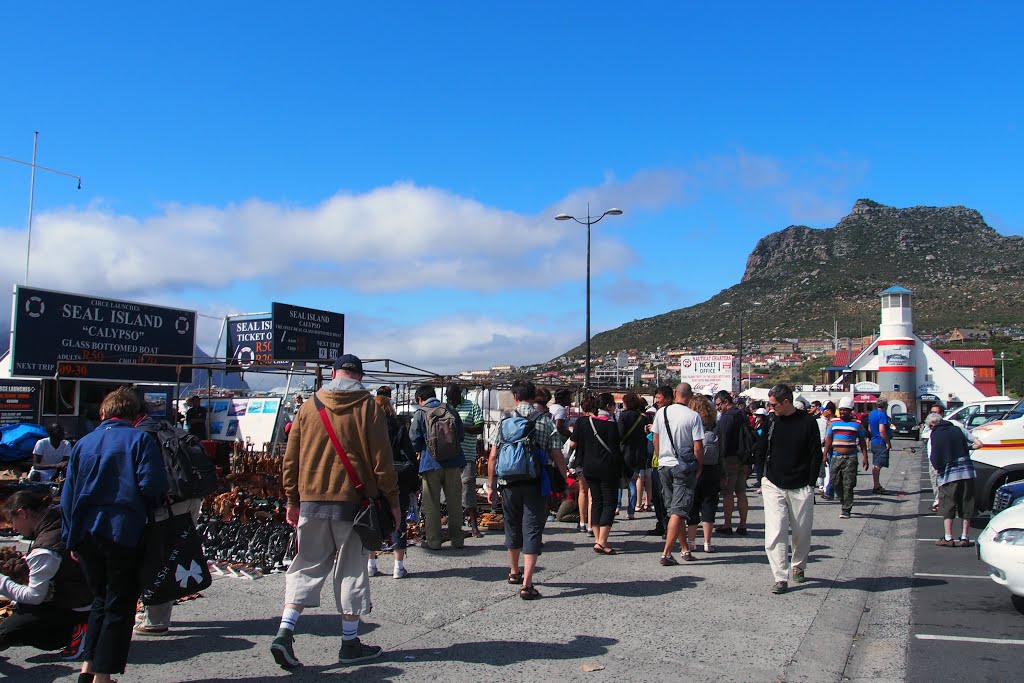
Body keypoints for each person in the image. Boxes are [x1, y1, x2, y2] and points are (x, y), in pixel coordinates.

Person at [271, 354, 400, 669]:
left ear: (333, 373)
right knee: (351, 570)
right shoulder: (368, 407)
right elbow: (382, 459)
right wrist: (393, 501)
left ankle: (284, 633)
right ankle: (349, 643)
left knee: (305, 565)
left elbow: (291, 458)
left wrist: (292, 499)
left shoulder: (309, 405)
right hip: (353, 506)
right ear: (360, 376)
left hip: (312, 501)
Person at [60, 386, 168, 683]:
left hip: (86, 532)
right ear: (134, 416)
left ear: (103, 413)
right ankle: (103, 677)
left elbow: (67, 496)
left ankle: (87, 669)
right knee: (119, 604)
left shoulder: (83, 443)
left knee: (99, 600)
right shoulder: (140, 441)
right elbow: (153, 487)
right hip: (123, 530)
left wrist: (71, 537)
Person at [487, 380, 567, 600]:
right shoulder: (544, 421)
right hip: (535, 483)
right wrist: (564, 477)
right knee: (532, 529)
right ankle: (527, 584)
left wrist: (492, 485)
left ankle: (514, 572)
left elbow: (493, 456)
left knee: (512, 525)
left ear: (515, 397)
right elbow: (557, 454)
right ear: (534, 397)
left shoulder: (504, 422)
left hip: (508, 484)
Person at [131, 404, 205, 637]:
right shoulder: (166, 429)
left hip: (167, 504)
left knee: (160, 558)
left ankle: (156, 621)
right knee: (173, 555)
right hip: (189, 499)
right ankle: (155, 611)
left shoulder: (142, 436)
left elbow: (146, 478)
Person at [0, 490, 92, 659]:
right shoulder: (56, 516)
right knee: (21, 608)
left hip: (76, 604)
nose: (13, 528)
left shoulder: (45, 548)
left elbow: (35, 596)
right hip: (88, 595)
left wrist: (2, 582)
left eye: (12, 521)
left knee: (9, 632)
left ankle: (77, 631)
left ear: (23, 513)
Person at [762, 384, 822, 594]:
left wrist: (811, 481)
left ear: (786, 402)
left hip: (801, 483)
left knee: (801, 530)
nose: (771, 408)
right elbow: (762, 446)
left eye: (773, 404)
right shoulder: (772, 421)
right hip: (773, 482)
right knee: (775, 530)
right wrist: (762, 475)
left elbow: (816, 452)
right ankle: (780, 576)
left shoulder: (808, 422)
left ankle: (798, 565)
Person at [651, 383, 704, 566]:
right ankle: (666, 553)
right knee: (679, 510)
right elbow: (698, 446)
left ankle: (684, 549)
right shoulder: (693, 416)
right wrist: (699, 466)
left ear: (674, 393)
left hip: (664, 465)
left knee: (674, 509)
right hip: (683, 466)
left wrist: (661, 458)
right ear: (690, 396)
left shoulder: (661, 413)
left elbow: (656, 440)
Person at [367, 392, 419, 579]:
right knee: (398, 520)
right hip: (397, 479)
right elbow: (410, 457)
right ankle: (398, 566)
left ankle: (371, 564)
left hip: (373, 478)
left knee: (372, 520)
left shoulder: (369, 429)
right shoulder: (399, 428)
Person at [411, 384, 466, 550]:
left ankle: (434, 541)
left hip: (430, 463)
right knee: (455, 502)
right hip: (454, 462)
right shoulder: (450, 409)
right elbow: (461, 436)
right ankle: (457, 539)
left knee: (432, 503)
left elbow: (414, 441)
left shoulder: (421, 413)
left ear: (420, 399)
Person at [571, 392, 624, 555]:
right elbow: (616, 451)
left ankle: (597, 538)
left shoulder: (586, 423)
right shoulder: (611, 425)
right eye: (613, 405)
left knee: (596, 501)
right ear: (608, 406)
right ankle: (602, 541)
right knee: (609, 502)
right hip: (607, 468)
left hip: (589, 468)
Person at [928, 412, 977, 547]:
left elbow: (935, 456)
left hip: (949, 475)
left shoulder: (936, 434)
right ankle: (964, 537)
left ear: (932, 424)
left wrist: (938, 469)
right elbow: (977, 443)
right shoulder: (958, 429)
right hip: (967, 472)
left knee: (948, 505)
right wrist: (968, 448)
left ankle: (948, 538)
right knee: (966, 504)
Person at [447, 383, 485, 539]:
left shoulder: (472, 406)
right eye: (448, 398)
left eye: (453, 397)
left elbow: (480, 428)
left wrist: (460, 427)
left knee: (468, 489)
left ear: (459, 394)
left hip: (467, 455)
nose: (451, 400)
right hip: (449, 456)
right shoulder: (446, 407)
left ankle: (474, 526)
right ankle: (453, 525)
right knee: (449, 491)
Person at [824, 397, 869, 519]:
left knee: (848, 484)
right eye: (841, 410)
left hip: (851, 457)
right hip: (836, 457)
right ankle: (843, 500)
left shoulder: (857, 424)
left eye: (846, 410)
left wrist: (865, 457)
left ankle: (846, 509)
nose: (843, 412)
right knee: (835, 481)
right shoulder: (833, 422)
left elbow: (862, 441)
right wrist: (824, 455)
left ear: (851, 410)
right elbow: (829, 439)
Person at [686, 395, 720, 554]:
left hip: (694, 467)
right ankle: (707, 542)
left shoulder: (691, 422)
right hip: (712, 469)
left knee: (693, 505)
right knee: (709, 505)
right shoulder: (714, 424)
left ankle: (691, 542)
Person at [714, 390, 749, 536]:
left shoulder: (727, 417)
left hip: (729, 458)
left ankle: (727, 524)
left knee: (728, 493)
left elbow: (724, 440)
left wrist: (720, 460)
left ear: (725, 402)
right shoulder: (742, 414)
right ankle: (742, 524)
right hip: (743, 457)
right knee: (741, 492)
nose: (717, 408)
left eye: (718, 404)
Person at [644, 386, 674, 537]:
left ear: (668, 398)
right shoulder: (661, 413)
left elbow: (658, 438)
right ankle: (661, 524)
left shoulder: (663, 413)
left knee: (664, 496)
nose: (657, 401)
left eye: (659, 397)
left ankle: (667, 525)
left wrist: (652, 432)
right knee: (658, 496)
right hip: (658, 461)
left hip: (662, 460)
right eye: (656, 397)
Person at [619, 392, 651, 516]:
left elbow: (620, 434)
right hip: (638, 453)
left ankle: (617, 506)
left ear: (626, 403)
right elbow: (645, 437)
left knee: (621, 480)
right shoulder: (642, 418)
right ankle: (631, 510)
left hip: (625, 451)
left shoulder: (623, 416)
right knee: (634, 480)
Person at [919, 405, 945, 513]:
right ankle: (937, 500)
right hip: (931, 458)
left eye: (936, 412)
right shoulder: (929, 424)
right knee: (934, 481)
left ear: (942, 414)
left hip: (943, 458)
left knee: (944, 482)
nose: (933, 414)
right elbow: (924, 435)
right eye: (931, 412)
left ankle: (943, 503)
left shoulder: (945, 425)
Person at [868, 398, 892, 494]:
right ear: (886, 405)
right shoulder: (882, 415)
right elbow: (882, 430)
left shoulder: (872, 413)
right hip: (880, 442)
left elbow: (869, 428)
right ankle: (876, 486)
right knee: (878, 465)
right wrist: (887, 442)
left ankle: (876, 484)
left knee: (875, 464)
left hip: (874, 441)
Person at [751, 408, 770, 492]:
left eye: (759, 415)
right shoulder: (757, 424)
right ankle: (760, 481)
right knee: (757, 466)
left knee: (761, 467)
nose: (757, 417)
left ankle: (761, 482)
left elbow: (762, 437)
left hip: (761, 449)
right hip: (756, 449)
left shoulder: (764, 426)